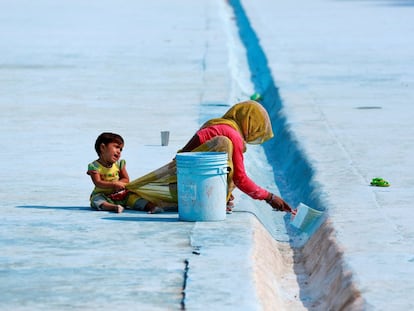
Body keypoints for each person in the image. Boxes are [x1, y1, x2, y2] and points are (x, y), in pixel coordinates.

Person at [126, 100, 294, 214]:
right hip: (188, 185)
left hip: (185, 177)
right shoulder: (232, 136)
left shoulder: (219, 124)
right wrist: (269, 197)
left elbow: (188, 149)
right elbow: (240, 178)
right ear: (248, 122)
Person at [87, 132, 157, 213]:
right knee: (96, 200)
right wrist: (114, 184)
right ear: (103, 147)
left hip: (121, 195)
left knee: (133, 197)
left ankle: (151, 207)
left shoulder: (119, 164)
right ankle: (113, 207)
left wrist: (119, 184)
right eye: (116, 147)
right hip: (103, 195)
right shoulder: (95, 166)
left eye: (121, 149)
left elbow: (126, 179)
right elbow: (98, 182)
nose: (119, 151)